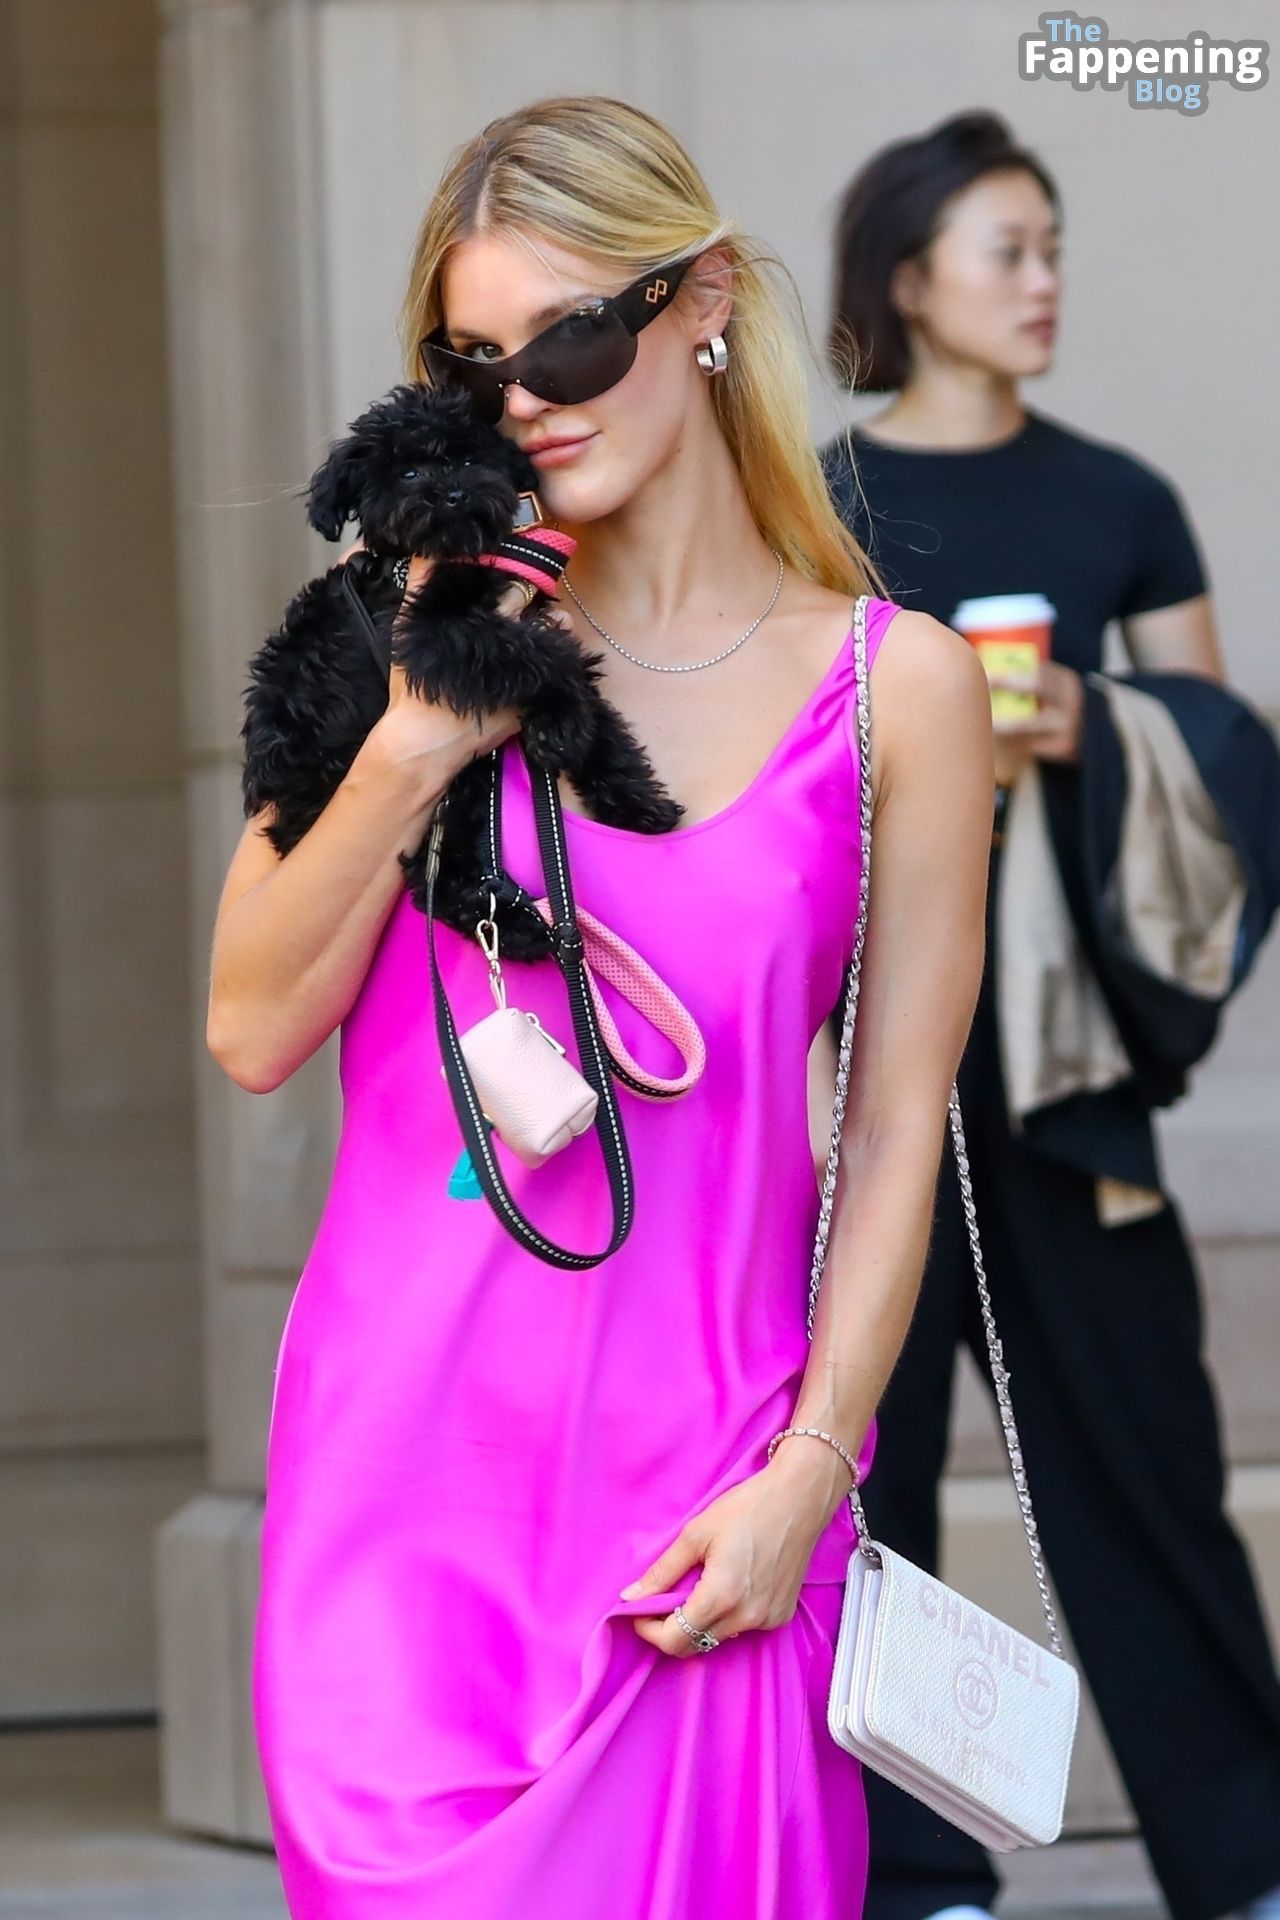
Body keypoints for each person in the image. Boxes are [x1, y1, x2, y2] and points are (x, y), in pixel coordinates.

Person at [205, 95, 992, 1919]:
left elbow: (889, 1134)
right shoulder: (385, 633)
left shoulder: (899, 695)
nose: (531, 400)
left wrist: (809, 1476)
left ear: (702, 297)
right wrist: (421, 733)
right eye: (472, 365)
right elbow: (251, 1026)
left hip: (704, 1509)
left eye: (568, 335)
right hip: (402, 1515)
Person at [819, 109, 1280, 1920]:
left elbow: (1227, 768)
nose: (1044, 282)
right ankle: (916, 1871)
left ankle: (1246, 1862)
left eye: (1055, 248)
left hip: (1072, 1082)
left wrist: (1089, 729)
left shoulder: (1120, 501)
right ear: (910, 279)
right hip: (865, 1076)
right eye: (1009, 250)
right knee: (870, 1489)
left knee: (1150, 1471)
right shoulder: (826, 498)